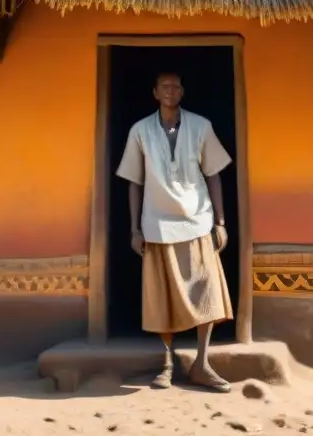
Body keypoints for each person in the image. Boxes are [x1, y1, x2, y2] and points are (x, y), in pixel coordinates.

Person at [115, 71, 233, 392]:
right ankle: (166, 363)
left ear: (182, 91)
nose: (170, 90)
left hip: (198, 221)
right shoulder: (140, 130)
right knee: (162, 298)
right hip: (157, 226)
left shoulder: (201, 126)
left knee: (206, 292)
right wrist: (135, 228)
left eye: (176, 86)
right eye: (164, 86)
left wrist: (220, 223)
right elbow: (134, 182)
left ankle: (202, 363)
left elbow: (214, 175)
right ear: (154, 92)